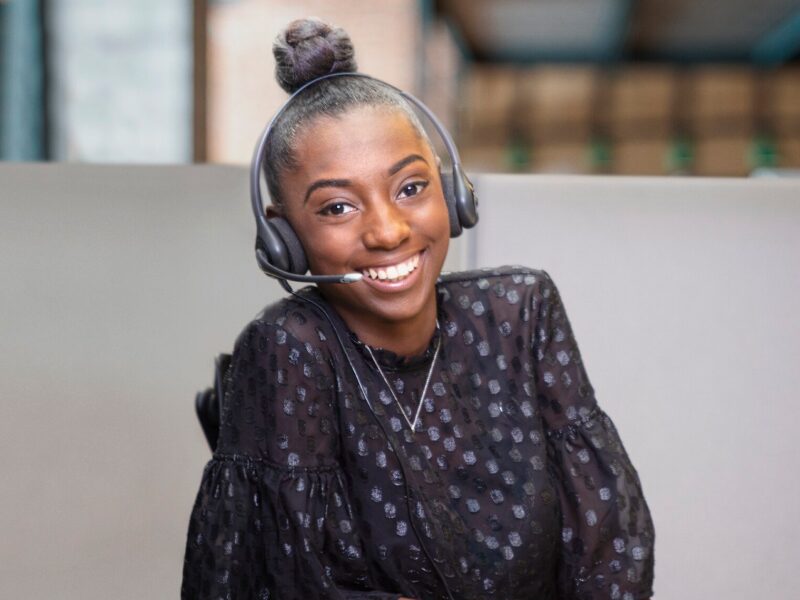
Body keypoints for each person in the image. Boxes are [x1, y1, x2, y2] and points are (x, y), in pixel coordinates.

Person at [181, 17, 654, 600]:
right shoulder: (292, 347)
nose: (387, 231)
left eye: (410, 188)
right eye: (336, 208)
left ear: (452, 194)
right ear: (285, 240)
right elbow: (283, 585)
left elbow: (608, 546)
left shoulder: (521, 314)